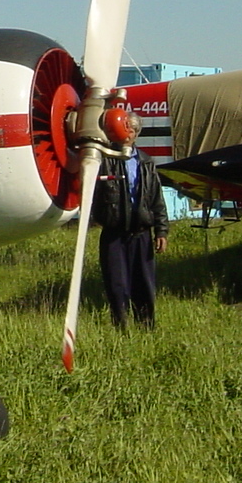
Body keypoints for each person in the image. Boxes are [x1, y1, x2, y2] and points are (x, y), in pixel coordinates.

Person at [93, 116, 168, 328]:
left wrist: (161, 231)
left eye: (132, 131)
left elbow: (156, 198)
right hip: (114, 234)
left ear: (137, 134)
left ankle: (147, 329)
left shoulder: (145, 162)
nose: (128, 135)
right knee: (117, 286)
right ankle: (121, 329)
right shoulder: (105, 161)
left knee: (144, 285)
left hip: (141, 233)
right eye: (125, 130)